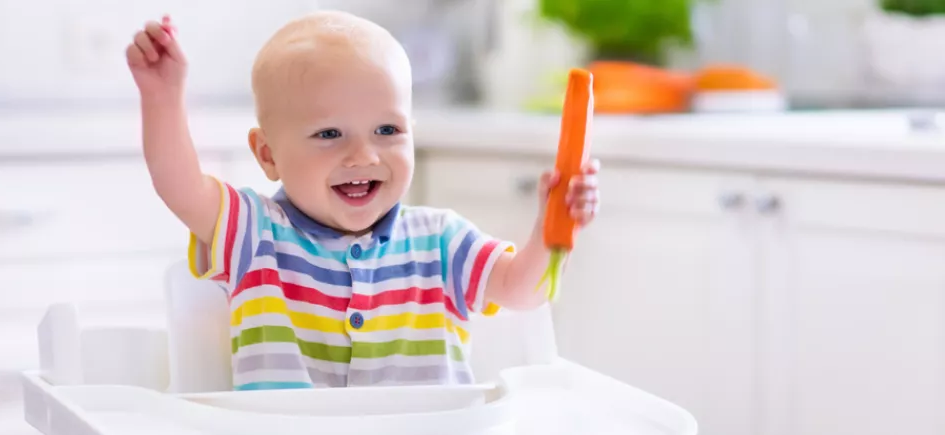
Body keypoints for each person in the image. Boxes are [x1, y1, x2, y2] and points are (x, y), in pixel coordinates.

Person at [125, 10, 600, 390]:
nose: (363, 155)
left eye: (387, 130)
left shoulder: (441, 240)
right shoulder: (254, 233)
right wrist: (162, 96)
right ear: (268, 155)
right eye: (329, 133)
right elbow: (178, 183)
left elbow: (523, 291)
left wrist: (552, 230)